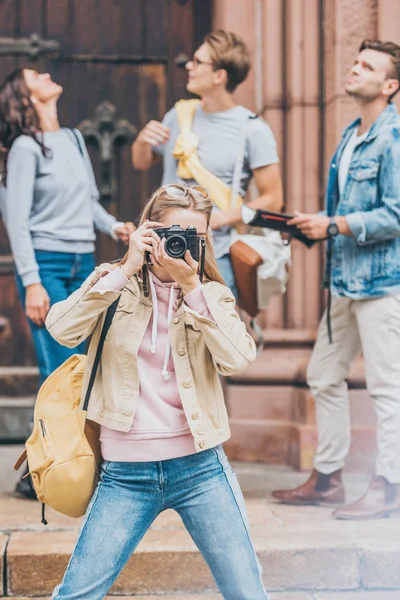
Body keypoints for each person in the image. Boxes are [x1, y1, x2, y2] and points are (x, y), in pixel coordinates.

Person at [45, 183, 268, 599]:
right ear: (150, 233)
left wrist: (193, 290)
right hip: (125, 474)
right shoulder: (114, 283)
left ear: (204, 242)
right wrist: (125, 268)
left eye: (192, 237)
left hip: (200, 468)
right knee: (77, 593)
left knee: (246, 591)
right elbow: (60, 329)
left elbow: (238, 360)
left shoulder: (212, 296)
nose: (179, 246)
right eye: (171, 234)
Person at [272, 40, 400, 520]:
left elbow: (395, 214)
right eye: (355, 61)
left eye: (367, 66)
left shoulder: (393, 137)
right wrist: (316, 225)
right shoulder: (351, 135)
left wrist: (335, 225)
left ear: (390, 86)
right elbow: (349, 213)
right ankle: (328, 479)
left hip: (383, 284)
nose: (354, 68)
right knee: (323, 374)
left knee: (388, 387)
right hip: (345, 280)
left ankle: (388, 488)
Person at [0, 68, 134, 386]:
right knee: (62, 371)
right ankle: (51, 437)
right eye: (35, 76)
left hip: (84, 264)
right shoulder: (25, 149)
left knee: (86, 365)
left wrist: (114, 227)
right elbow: (16, 224)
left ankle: (79, 436)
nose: (46, 74)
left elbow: (87, 201)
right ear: (26, 96)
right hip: (47, 267)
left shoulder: (73, 139)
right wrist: (33, 283)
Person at [132, 29, 283, 297]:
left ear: (219, 76)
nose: (189, 66)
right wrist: (142, 141)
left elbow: (273, 199)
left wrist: (216, 220)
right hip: (161, 250)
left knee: (211, 333)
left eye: (198, 62)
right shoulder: (179, 115)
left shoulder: (252, 129)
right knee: (160, 335)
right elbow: (141, 162)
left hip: (215, 255)